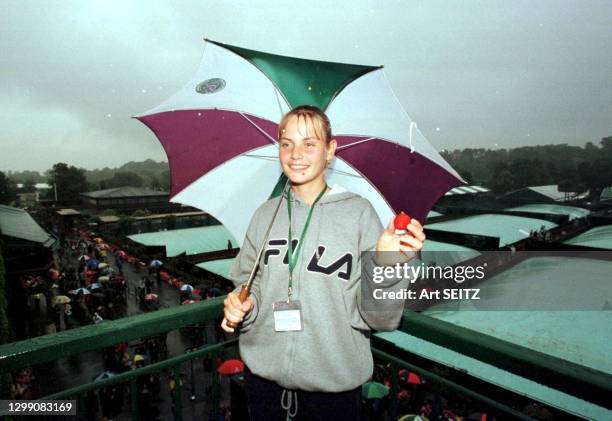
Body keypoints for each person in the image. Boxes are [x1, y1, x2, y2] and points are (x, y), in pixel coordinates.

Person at [221, 105, 426, 420]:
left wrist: (385, 265)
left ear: (330, 150)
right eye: (286, 143)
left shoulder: (359, 214)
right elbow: (249, 284)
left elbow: (380, 318)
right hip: (262, 385)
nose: (295, 154)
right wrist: (242, 306)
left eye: (309, 143)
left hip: (334, 395)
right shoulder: (265, 214)